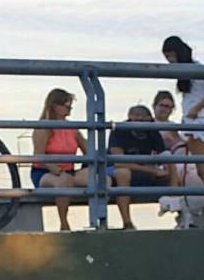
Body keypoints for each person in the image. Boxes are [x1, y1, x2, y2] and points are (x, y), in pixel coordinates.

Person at [31, 89, 132, 230]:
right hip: (45, 172)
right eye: (67, 106)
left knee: (103, 179)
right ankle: (64, 224)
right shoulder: (43, 127)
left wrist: (102, 159)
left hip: (70, 171)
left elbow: (89, 150)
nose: (70, 109)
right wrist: (58, 171)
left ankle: (99, 220)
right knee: (63, 181)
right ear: (55, 106)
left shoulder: (72, 128)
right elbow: (39, 155)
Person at [162, 36, 204, 226]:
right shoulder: (187, 72)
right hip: (191, 122)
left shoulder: (198, 68)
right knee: (201, 170)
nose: (170, 62)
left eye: (171, 57)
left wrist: (196, 108)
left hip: (197, 122)